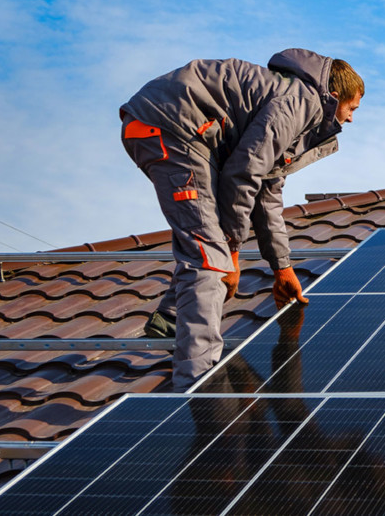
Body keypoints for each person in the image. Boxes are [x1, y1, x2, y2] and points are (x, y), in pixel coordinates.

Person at [120, 48, 363, 391]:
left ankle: (171, 318)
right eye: (352, 109)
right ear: (334, 96)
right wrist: (233, 251)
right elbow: (244, 172)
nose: (352, 119)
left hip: (175, 128)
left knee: (203, 230)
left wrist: (282, 268)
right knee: (211, 256)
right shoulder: (301, 102)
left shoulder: (294, 108)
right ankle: (201, 385)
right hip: (175, 126)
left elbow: (266, 193)